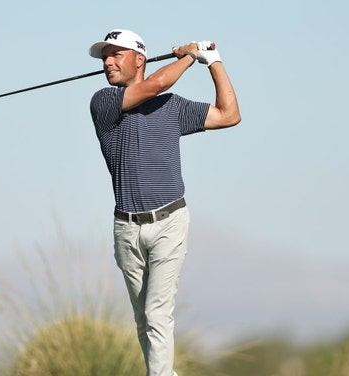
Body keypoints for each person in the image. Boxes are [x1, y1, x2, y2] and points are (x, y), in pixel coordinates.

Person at [88, 29, 241, 376]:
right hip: (126, 229)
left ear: (139, 59)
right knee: (144, 321)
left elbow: (229, 114)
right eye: (105, 57)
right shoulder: (104, 103)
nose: (108, 62)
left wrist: (212, 61)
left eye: (116, 55)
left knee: (158, 313)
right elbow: (155, 84)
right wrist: (190, 56)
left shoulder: (172, 108)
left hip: (170, 221)